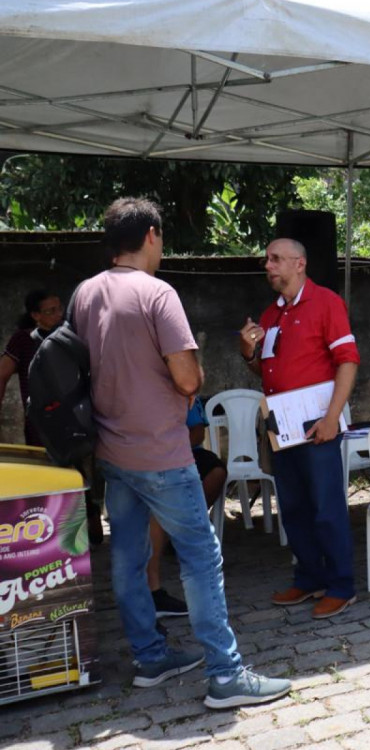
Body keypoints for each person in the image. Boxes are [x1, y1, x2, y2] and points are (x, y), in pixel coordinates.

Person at [73, 197, 290, 708]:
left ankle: (150, 659)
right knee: (200, 558)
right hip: (162, 453)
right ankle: (226, 674)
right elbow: (188, 377)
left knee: (127, 558)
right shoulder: (158, 293)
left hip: (111, 449)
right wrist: (194, 376)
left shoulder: (84, 293)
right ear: (151, 235)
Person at [239, 238, 359, 619]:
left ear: (299, 263)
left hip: (317, 419)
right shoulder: (270, 314)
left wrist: (331, 417)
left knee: (326, 506)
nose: (268, 265)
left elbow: (348, 362)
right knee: (293, 507)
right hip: (282, 423)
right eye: (267, 259)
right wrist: (248, 352)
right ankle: (308, 577)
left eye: (276, 259)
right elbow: (267, 369)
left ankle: (341, 585)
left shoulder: (326, 303)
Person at [146, 396, 228, 618]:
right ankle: (152, 590)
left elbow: (198, 432)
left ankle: (185, 524)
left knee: (216, 470)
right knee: (159, 497)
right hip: (145, 457)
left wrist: (174, 448)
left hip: (183, 451)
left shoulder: (182, 388)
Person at [1, 289, 64, 445]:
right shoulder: (24, 339)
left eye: (59, 309)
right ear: (36, 315)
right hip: (39, 419)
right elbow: (2, 374)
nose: (58, 315)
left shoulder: (68, 336)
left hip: (69, 414)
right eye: (51, 311)